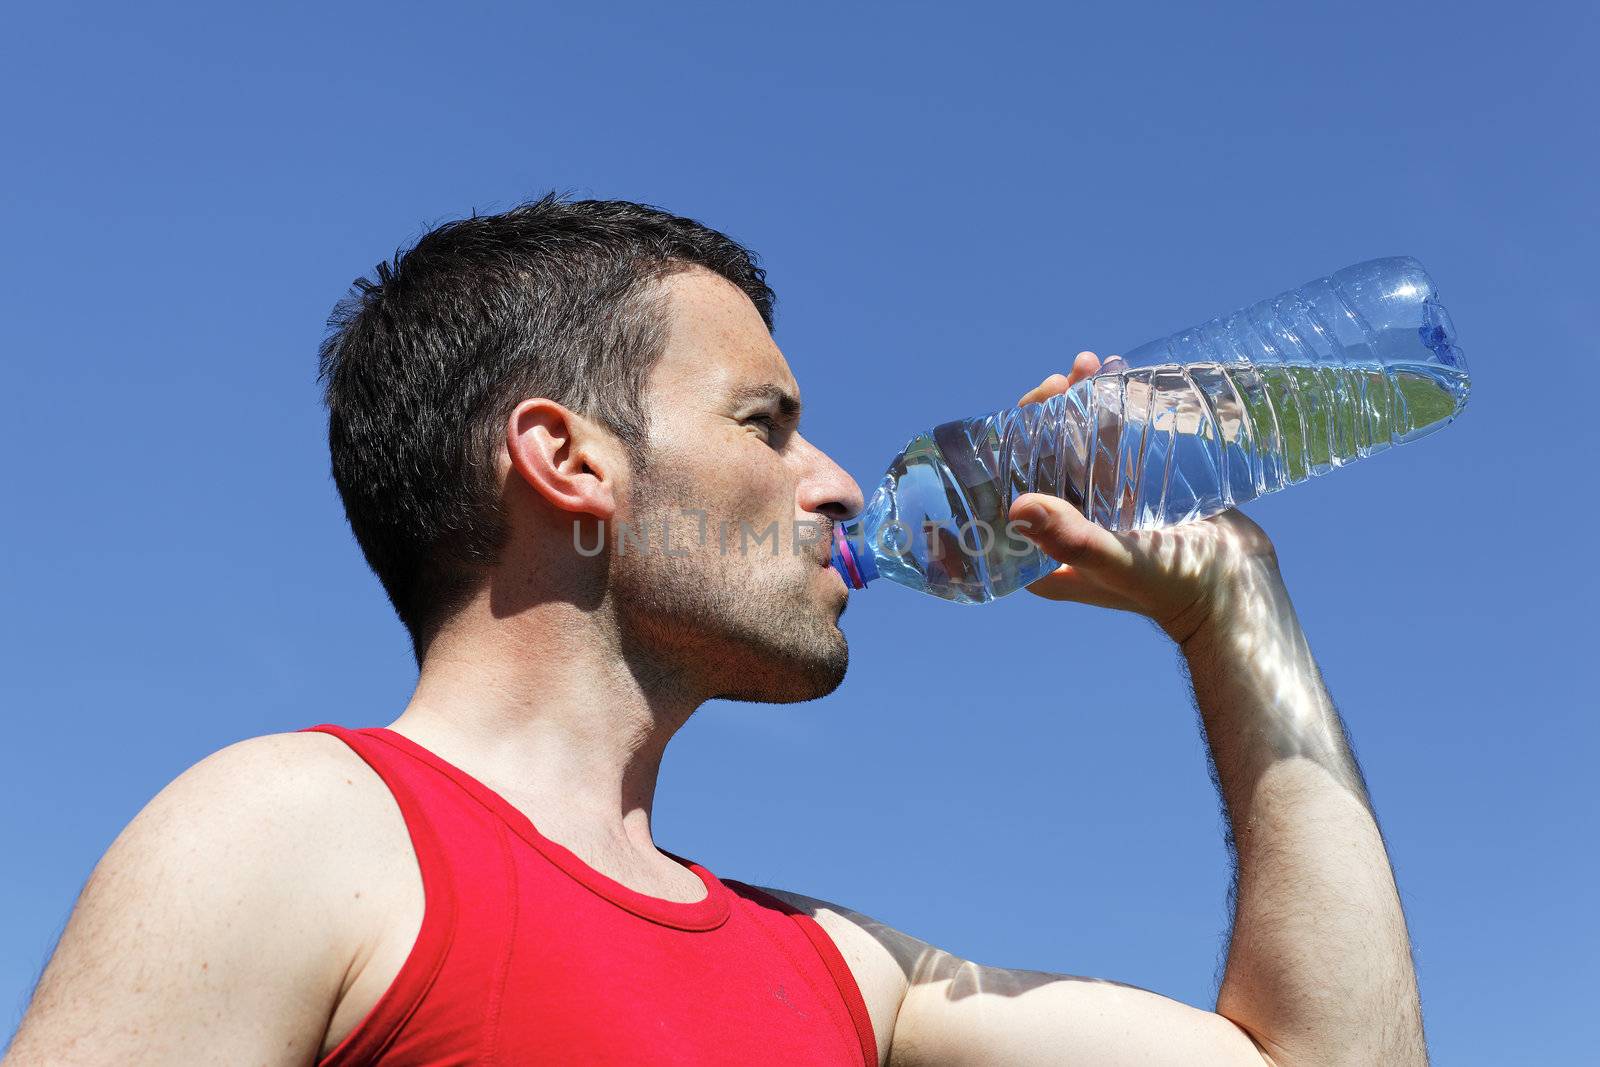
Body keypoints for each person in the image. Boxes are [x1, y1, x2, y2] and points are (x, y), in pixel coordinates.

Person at [3, 194, 1428, 1066]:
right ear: (569, 461)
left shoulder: (843, 974)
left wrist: (1237, 609)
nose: (840, 482)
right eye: (768, 424)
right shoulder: (292, 833)